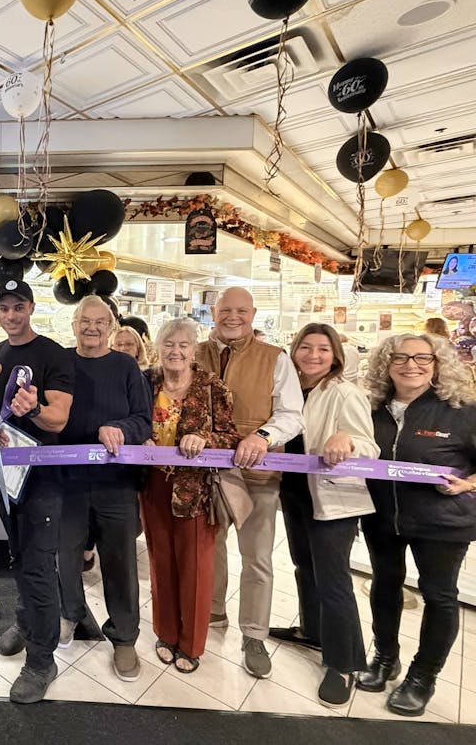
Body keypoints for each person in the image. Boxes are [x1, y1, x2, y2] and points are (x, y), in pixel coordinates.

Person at [356, 333, 476, 716]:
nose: (411, 365)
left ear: (437, 364)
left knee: (439, 596)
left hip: (442, 521)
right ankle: (385, 658)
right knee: (385, 584)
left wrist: (469, 483)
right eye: (401, 357)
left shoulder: (461, 409)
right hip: (381, 516)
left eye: (422, 358)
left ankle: (423, 676)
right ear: (386, 364)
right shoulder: (371, 408)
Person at [267, 324, 377, 707]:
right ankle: (312, 630)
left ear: (336, 356)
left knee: (334, 580)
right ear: (293, 350)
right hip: (296, 494)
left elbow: (369, 446)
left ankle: (344, 663)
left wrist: (347, 440)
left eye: (323, 349)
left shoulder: (344, 392)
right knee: (304, 566)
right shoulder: (290, 389)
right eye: (306, 347)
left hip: (334, 499)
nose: (313, 355)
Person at [196, 287, 303, 679]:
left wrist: (263, 436)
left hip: (257, 474)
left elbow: (293, 414)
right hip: (205, 472)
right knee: (211, 548)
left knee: (257, 557)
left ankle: (254, 634)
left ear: (253, 314)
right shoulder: (195, 352)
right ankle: (213, 611)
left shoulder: (275, 358)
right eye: (226, 310)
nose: (233, 317)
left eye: (242, 310)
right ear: (213, 312)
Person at [0, 279, 74, 704]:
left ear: (31, 309)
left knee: (39, 565)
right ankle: (25, 621)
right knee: (18, 555)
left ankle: (42, 660)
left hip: (43, 480)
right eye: (4, 308)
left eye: (18, 307)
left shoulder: (53, 355)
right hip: (7, 477)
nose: (11, 315)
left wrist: (34, 409)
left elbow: (58, 418)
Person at [57, 296, 151, 680]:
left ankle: (124, 638)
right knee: (64, 556)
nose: (92, 327)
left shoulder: (126, 366)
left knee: (120, 563)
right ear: (74, 325)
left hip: (117, 484)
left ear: (111, 327)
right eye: (85, 320)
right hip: (68, 481)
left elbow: (143, 420)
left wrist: (120, 429)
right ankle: (68, 614)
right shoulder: (60, 363)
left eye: (100, 321)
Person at [142, 318, 241, 674]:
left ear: (194, 350)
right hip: (152, 484)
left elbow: (230, 436)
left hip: (196, 489)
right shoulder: (145, 381)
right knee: (161, 561)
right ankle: (166, 633)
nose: (176, 351)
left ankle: (191, 643)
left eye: (183, 345)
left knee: (195, 566)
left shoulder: (212, 387)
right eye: (169, 344)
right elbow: (133, 419)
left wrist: (204, 439)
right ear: (157, 347)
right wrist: (140, 436)